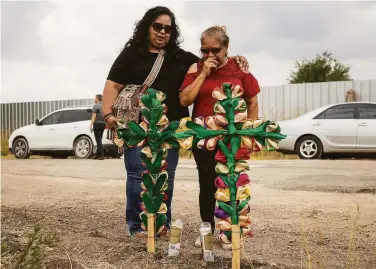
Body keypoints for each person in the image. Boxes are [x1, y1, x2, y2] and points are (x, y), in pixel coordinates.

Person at [101, 6, 249, 238]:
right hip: (136, 126)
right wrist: (108, 115)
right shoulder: (131, 54)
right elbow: (113, 85)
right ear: (147, 26)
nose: (162, 32)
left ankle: (162, 225)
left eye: (167, 29)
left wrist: (235, 58)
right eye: (157, 26)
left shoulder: (181, 57)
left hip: (170, 128)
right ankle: (137, 225)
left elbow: (212, 57)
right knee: (137, 175)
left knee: (165, 175)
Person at [179, 26, 260, 249]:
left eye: (215, 49)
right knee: (206, 185)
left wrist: (248, 134)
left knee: (231, 184)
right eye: (205, 50)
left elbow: (252, 102)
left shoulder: (240, 69)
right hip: (204, 136)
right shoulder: (196, 68)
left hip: (232, 138)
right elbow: (185, 100)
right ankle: (207, 230)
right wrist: (203, 73)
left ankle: (229, 231)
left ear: (226, 48)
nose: (210, 55)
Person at [90, 94, 106, 160]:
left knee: (98, 140)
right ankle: (98, 155)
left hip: (97, 124)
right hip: (103, 124)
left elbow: (93, 117)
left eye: (95, 98)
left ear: (97, 99)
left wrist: (90, 125)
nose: (94, 99)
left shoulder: (95, 106)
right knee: (99, 140)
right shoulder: (104, 106)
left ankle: (102, 155)